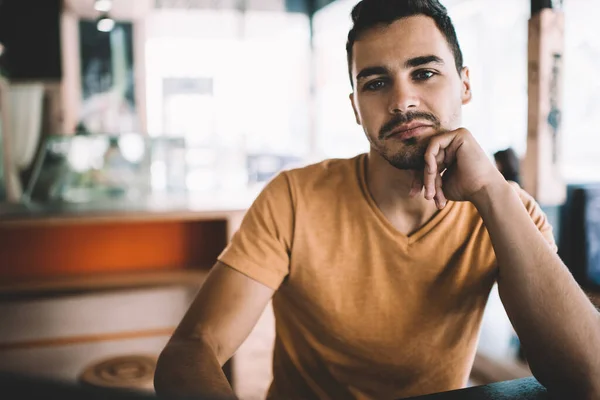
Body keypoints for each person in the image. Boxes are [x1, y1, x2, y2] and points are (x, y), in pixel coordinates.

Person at [154, 1, 600, 399]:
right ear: (355, 107)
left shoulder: (506, 209)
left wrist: (491, 191)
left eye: (424, 73)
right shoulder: (293, 198)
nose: (402, 100)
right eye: (375, 83)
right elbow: (192, 348)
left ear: (464, 85)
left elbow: (590, 377)